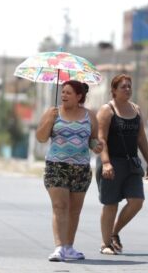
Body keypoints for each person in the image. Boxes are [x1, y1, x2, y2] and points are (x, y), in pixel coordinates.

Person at [36, 80, 103, 262]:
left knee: (74, 210)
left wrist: (96, 145)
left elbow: (93, 139)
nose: (63, 95)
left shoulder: (90, 116)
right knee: (60, 206)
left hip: (81, 169)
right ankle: (59, 247)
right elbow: (41, 138)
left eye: (68, 93)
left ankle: (68, 247)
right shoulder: (53, 113)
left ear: (79, 96)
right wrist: (49, 120)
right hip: (56, 167)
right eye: (63, 92)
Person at [96, 74, 148, 255]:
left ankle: (114, 232)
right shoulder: (107, 110)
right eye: (123, 87)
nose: (128, 89)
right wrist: (106, 163)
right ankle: (106, 244)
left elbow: (141, 138)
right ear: (113, 90)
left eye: (129, 86)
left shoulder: (136, 109)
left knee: (137, 201)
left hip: (131, 164)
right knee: (111, 204)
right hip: (111, 162)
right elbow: (101, 139)